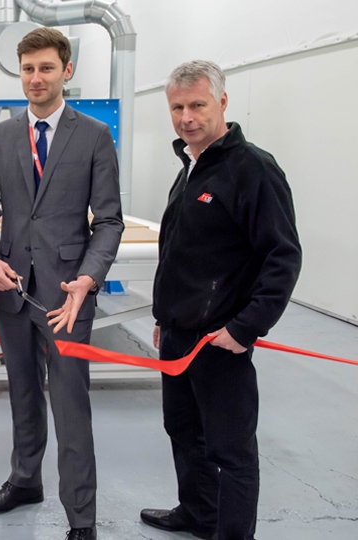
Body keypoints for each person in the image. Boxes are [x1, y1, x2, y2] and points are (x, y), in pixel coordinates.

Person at [0, 27, 123, 540]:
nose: (36, 78)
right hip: (12, 289)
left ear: (66, 71)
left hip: (67, 299)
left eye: (46, 68)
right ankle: (25, 480)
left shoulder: (94, 135)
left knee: (71, 406)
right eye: (28, 68)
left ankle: (82, 519)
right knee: (23, 394)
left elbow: (110, 221)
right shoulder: (3, 137)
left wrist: (89, 278)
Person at [140, 60, 302, 540]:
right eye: (177, 107)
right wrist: (163, 315)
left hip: (221, 338)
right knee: (183, 430)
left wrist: (245, 327)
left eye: (197, 105)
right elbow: (180, 251)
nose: (186, 117)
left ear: (223, 103)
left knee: (230, 450)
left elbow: (282, 256)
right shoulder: (190, 166)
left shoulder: (251, 169)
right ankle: (198, 513)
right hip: (178, 334)